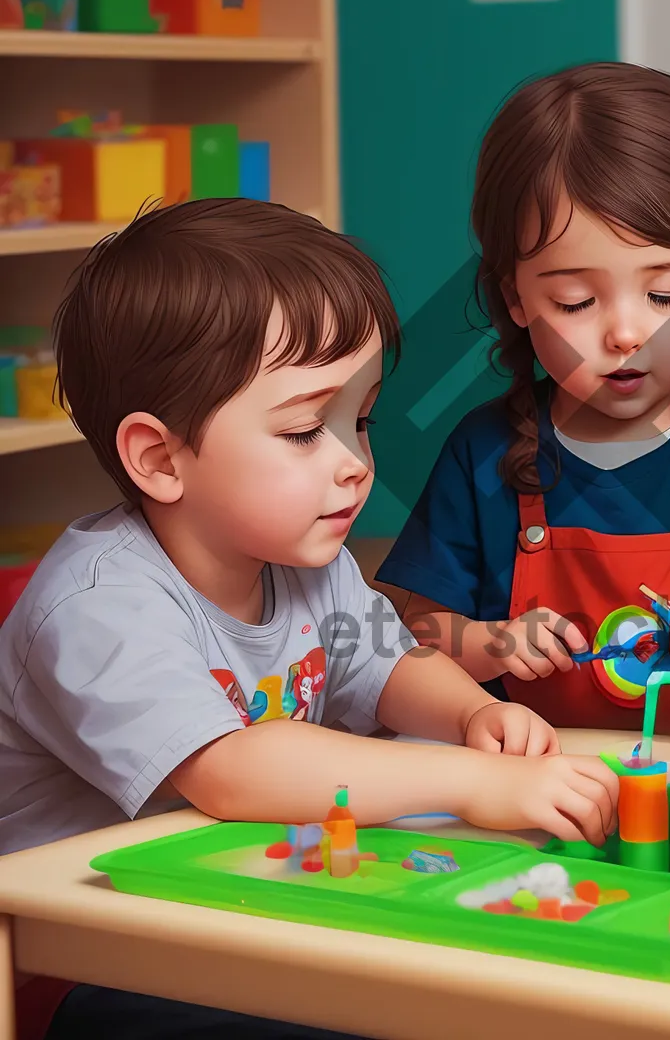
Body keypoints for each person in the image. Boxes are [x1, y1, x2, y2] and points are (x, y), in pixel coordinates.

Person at [0, 199, 618, 1040]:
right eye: (302, 432)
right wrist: (475, 782)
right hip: (90, 961)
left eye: (357, 421)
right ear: (158, 458)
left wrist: (472, 714)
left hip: (246, 906)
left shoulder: (305, 564)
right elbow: (232, 772)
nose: (354, 464)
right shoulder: (98, 609)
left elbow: (389, 665)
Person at [376, 62, 670, 738]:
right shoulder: (482, 454)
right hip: (538, 781)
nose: (627, 334)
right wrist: (495, 644)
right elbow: (421, 634)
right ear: (515, 296)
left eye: (664, 293)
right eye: (575, 300)